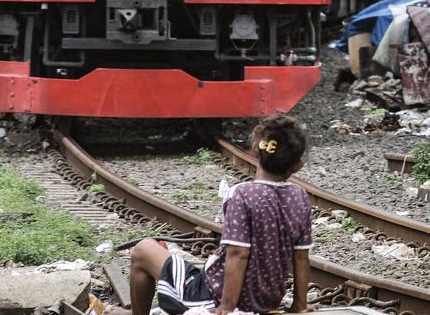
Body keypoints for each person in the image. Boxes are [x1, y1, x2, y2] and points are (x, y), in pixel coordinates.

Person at [110, 114, 314, 315]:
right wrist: (299, 305)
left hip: (210, 296)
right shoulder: (300, 197)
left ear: (254, 150)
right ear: (297, 166)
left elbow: (238, 253)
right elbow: (301, 256)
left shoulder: (242, 194)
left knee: (143, 249)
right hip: (267, 300)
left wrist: (227, 307)